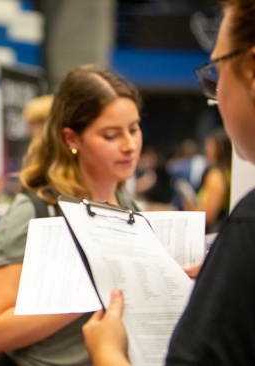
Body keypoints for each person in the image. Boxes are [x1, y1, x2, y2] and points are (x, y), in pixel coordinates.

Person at [83, 0, 255, 364]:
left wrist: (108, 352)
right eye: (112, 134)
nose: (129, 145)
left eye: (217, 73)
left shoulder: (248, 224)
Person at [0, 65, 142, 366]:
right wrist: (94, 288)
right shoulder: (34, 212)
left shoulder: (131, 208)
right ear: (72, 139)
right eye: (110, 135)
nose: (129, 145)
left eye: (134, 129)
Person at [181, 128, 232, 233]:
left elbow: (207, 217)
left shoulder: (216, 175)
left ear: (220, 148)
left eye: (209, 146)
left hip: (212, 234)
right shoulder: (228, 171)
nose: (206, 150)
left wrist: (190, 207)